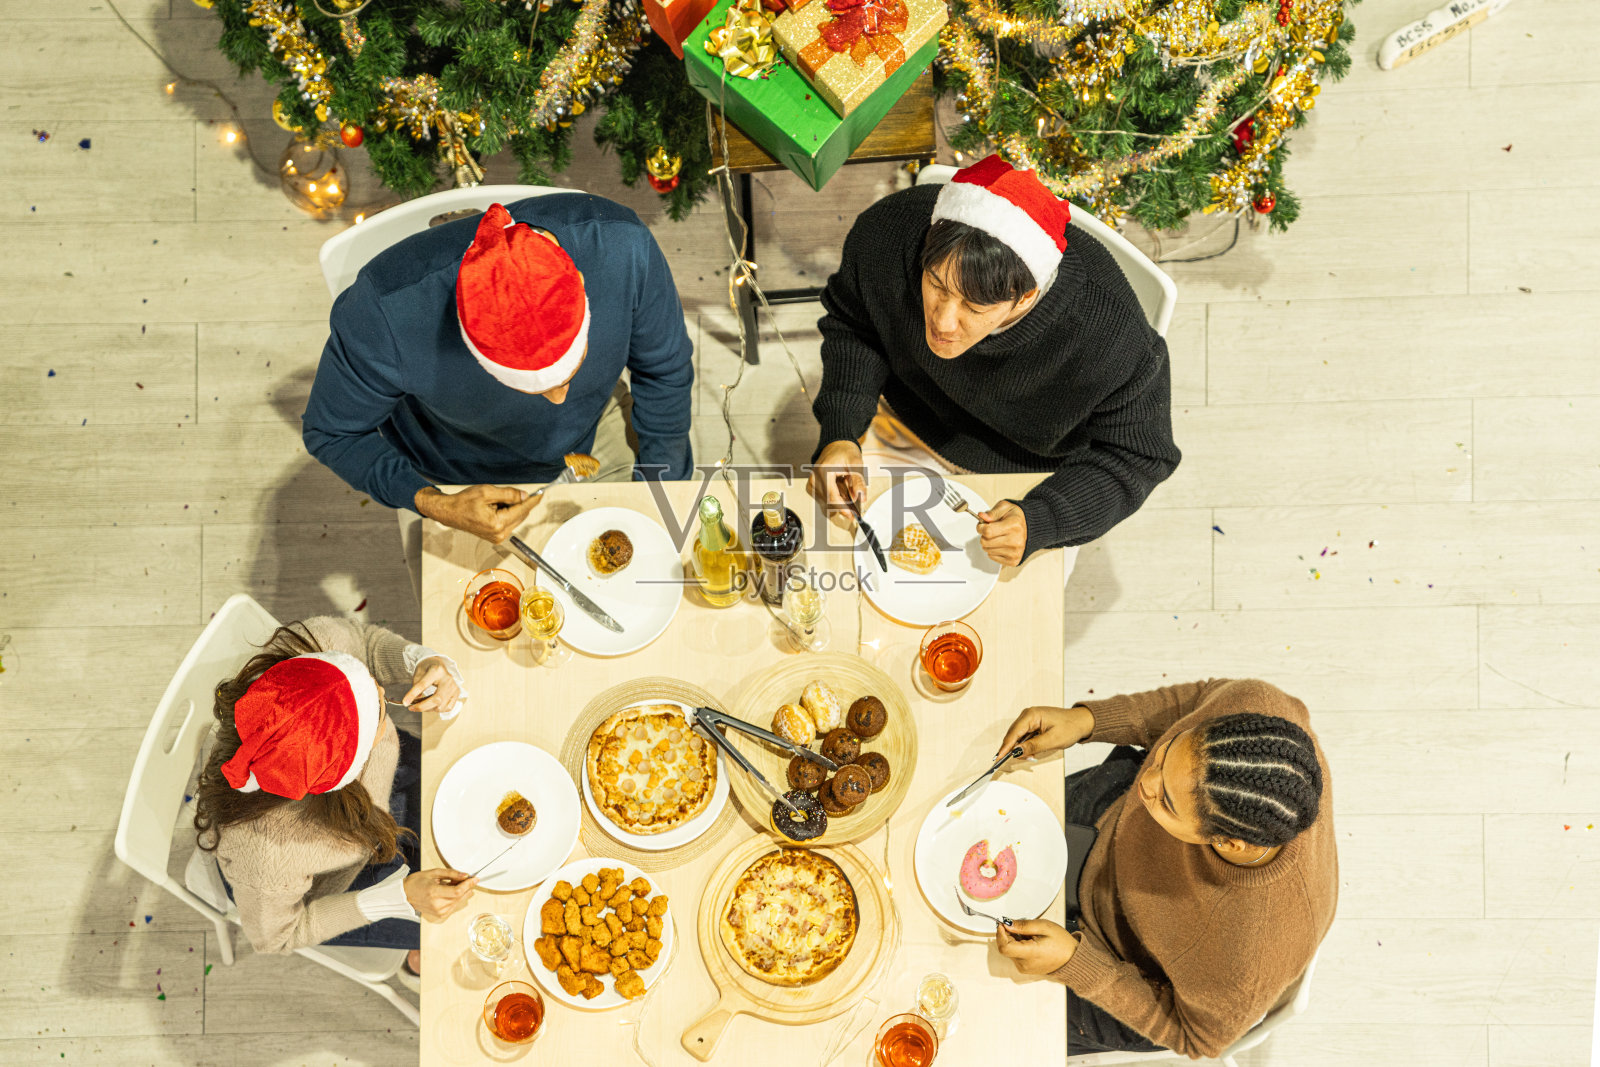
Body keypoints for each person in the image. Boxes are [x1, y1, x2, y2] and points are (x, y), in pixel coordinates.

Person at [302, 195, 695, 593]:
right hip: (455, 474)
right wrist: (434, 503)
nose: (560, 400)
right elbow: (331, 433)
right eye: (528, 387)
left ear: (579, 281)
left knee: (655, 578)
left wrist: (665, 489)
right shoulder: (384, 313)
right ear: (471, 345)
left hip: (597, 430)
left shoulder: (622, 246)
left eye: (569, 372)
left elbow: (664, 370)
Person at [807, 155, 1180, 567]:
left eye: (973, 305)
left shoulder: (1111, 334)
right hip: (903, 417)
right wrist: (841, 429)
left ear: (1026, 296)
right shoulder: (889, 232)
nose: (943, 322)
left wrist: (1043, 519)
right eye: (936, 284)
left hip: (1030, 474)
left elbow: (1140, 456)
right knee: (837, 566)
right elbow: (853, 323)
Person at [989, 678, 1336, 1059]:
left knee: (988, 1008)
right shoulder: (1260, 708)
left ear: (1229, 843)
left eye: (1166, 802)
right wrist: (1088, 721)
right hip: (1111, 828)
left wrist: (1077, 963)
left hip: (1122, 962)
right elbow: (1197, 700)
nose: (1146, 782)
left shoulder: (1246, 961)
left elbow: (1195, 1038)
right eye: (1167, 751)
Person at [192, 616, 476, 980]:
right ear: (343, 776)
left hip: (378, 798)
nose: (381, 690)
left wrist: (417, 660)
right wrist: (398, 896)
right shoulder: (267, 859)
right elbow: (276, 938)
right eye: (378, 710)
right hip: (335, 883)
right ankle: (412, 955)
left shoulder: (306, 651)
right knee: (460, 924)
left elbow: (365, 643)